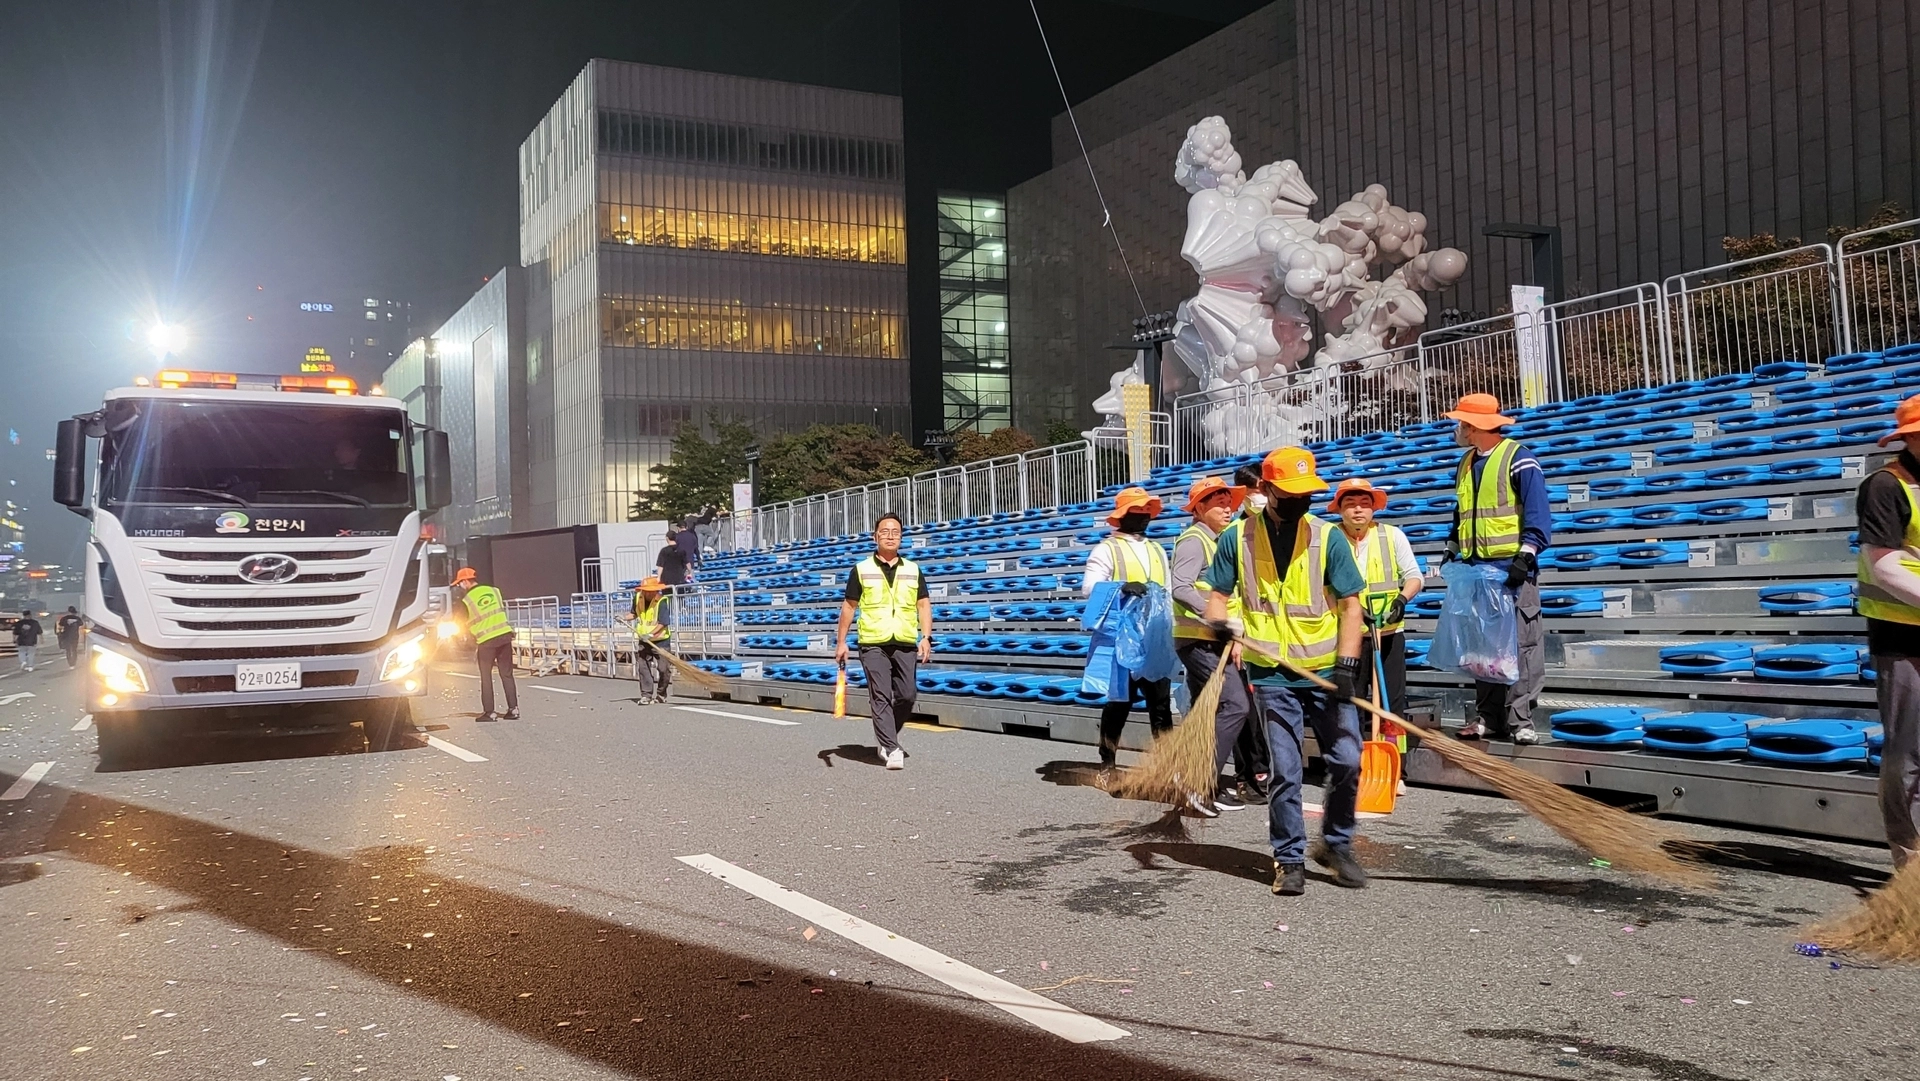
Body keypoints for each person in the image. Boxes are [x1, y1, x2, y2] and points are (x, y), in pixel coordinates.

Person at [1203, 447, 1369, 895]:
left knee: (1349, 761)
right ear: (1268, 489)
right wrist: (1219, 621)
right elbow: (1216, 596)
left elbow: (1352, 606)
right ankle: (1289, 857)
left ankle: (1335, 844)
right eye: (1290, 493)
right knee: (1286, 771)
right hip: (1273, 674)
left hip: (1326, 670)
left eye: (1306, 493)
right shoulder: (1236, 539)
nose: (1300, 500)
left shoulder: (1326, 537)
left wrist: (1348, 666)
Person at [1445, 393, 1552, 744]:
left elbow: (1537, 514)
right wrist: (1452, 548)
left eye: (1461, 423)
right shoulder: (1465, 463)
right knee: (1483, 650)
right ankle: (1488, 717)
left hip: (1511, 572)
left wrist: (1527, 555)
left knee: (1520, 646)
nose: (1458, 429)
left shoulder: (1520, 460)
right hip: (1478, 572)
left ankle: (1521, 720)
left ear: (1475, 427)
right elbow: (1462, 514)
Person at [1853, 394, 1920, 869]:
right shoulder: (1886, 486)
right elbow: (1886, 567)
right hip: (1904, 638)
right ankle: (1912, 862)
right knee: (1909, 752)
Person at [1170, 475, 1253, 816]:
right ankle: (1197, 782)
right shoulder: (1194, 541)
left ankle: (1200, 779)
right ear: (1199, 507)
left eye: (1228, 501)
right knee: (1236, 706)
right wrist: (1215, 618)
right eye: (1217, 501)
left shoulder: (1219, 541)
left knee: (1211, 712)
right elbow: (1180, 587)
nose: (1226, 507)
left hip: (1215, 640)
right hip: (1199, 640)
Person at [1082, 487, 1174, 784]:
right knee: (1119, 703)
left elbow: (1169, 590)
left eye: (1146, 511)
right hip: (1122, 638)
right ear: (1122, 515)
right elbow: (1089, 588)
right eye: (1137, 511)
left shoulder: (1157, 549)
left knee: (1160, 705)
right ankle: (1107, 763)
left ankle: (1168, 766)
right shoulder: (1106, 549)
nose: (1144, 516)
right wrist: (1121, 586)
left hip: (1153, 635)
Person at [834, 512, 932, 769]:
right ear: (875, 536)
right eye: (885, 531)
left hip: (905, 641)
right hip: (873, 642)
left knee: (908, 695)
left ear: (901, 537)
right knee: (880, 695)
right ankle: (890, 746)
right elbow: (848, 606)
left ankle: (887, 736)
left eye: (895, 532)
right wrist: (841, 642)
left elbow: (923, 605)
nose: (890, 536)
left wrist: (927, 637)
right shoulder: (861, 569)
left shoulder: (913, 569)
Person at [1329, 478, 1425, 717]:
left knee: (1392, 707)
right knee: (1351, 705)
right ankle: (1355, 752)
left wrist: (1402, 600)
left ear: (1374, 507)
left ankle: (1394, 751)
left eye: (1364, 503)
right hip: (1347, 638)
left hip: (1388, 635)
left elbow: (1414, 576)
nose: (1358, 509)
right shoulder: (1329, 539)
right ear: (1339, 509)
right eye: (1350, 503)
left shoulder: (1392, 536)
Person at [453, 566, 518, 722]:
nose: (459, 587)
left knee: (486, 676)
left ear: (465, 581)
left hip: (487, 641)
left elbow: (460, 621)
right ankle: (513, 709)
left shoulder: (466, 600)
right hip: (504, 636)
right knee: (507, 674)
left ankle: (490, 712)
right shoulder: (494, 591)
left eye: (459, 584)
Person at [626, 576, 674, 704]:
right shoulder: (638, 598)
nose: (647, 593)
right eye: (645, 591)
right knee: (643, 667)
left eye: (650, 591)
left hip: (660, 639)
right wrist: (624, 618)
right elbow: (634, 613)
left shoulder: (661, 601)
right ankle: (646, 695)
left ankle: (661, 694)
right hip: (643, 640)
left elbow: (663, 623)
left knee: (663, 668)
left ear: (655, 590)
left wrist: (650, 635)